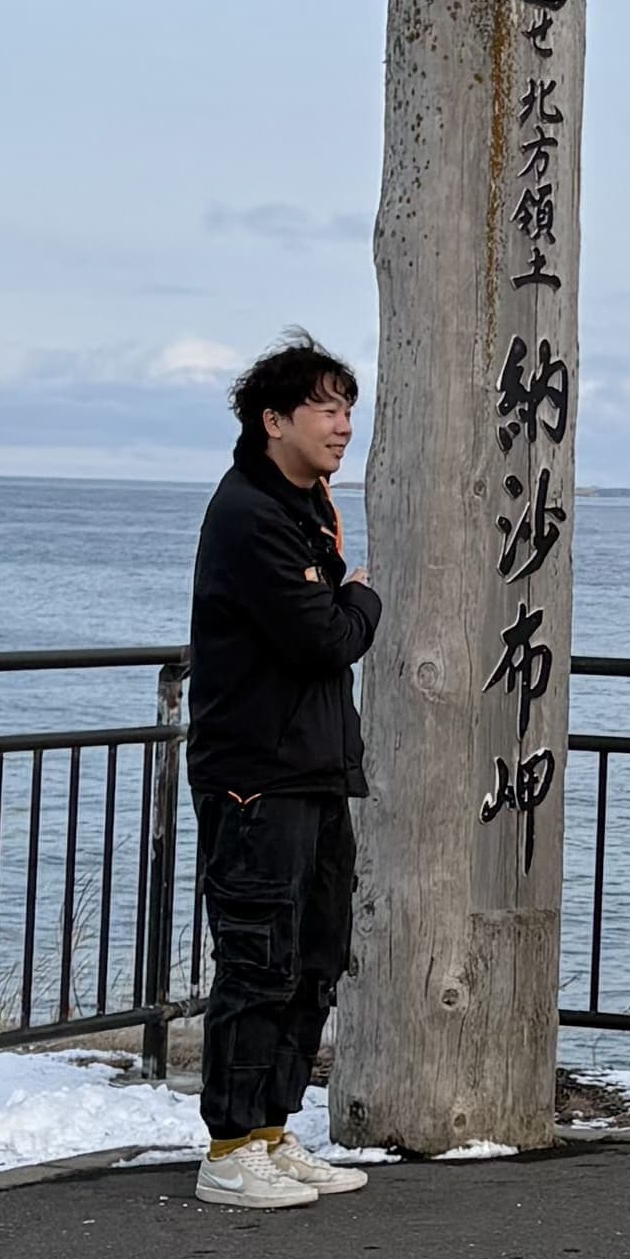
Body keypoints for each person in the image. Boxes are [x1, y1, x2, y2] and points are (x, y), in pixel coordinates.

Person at [185, 332, 381, 1210]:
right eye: (326, 408)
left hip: (311, 768)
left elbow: (321, 624)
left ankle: (272, 1129)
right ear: (274, 420)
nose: (344, 423)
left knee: (313, 956)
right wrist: (361, 596)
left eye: (348, 406)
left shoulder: (304, 506)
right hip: (255, 775)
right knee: (257, 959)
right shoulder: (251, 515)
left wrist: (337, 595)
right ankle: (228, 1148)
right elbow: (325, 637)